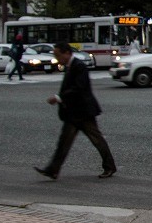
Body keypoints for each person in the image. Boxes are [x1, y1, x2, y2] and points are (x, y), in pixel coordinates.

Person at [34, 42, 116, 180]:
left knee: (97, 139)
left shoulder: (79, 66)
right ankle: (53, 169)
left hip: (83, 111)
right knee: (64, 141)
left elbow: (79, 88)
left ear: (67, 53)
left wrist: (59, 98)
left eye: (58, 55)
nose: (57, 58)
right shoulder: (71, 66)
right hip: (74, 112)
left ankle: (110, 166)